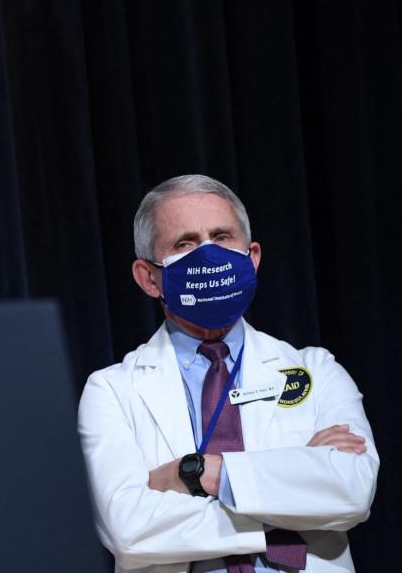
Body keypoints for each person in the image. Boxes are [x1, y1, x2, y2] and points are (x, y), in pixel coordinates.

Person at [77, 175, 378, 572]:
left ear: (252, 257)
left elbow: (350, 489)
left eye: (221, 237)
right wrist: (282, 509)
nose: (207, 256)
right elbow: (128, 529)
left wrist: (200, 472)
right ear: (148, 278)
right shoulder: (110, 390)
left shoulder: (316, 369)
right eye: (184, 244)